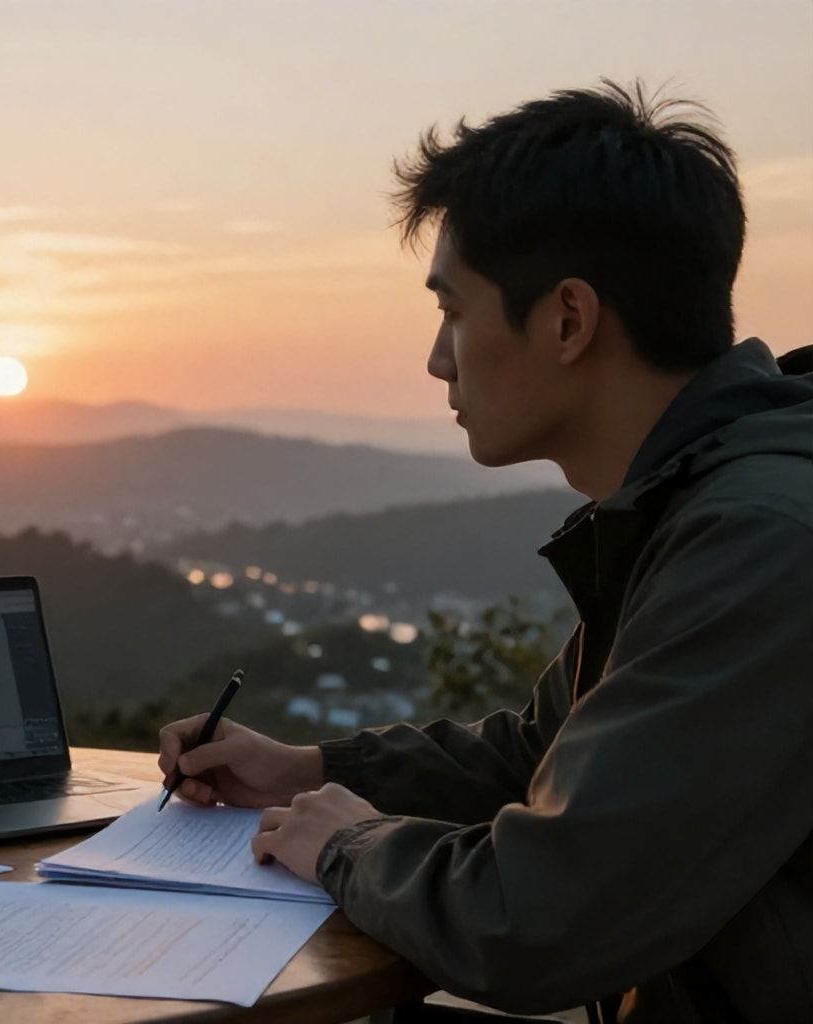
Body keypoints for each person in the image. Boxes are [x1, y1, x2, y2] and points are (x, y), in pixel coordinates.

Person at [159, 81, 813, 1024]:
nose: (437, 359)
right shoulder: (699, 500)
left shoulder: (762, 542)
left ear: (568, 321)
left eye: (453, 310)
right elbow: (547, 753)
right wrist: (308, 770)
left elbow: (538, 919)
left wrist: (351, 843)